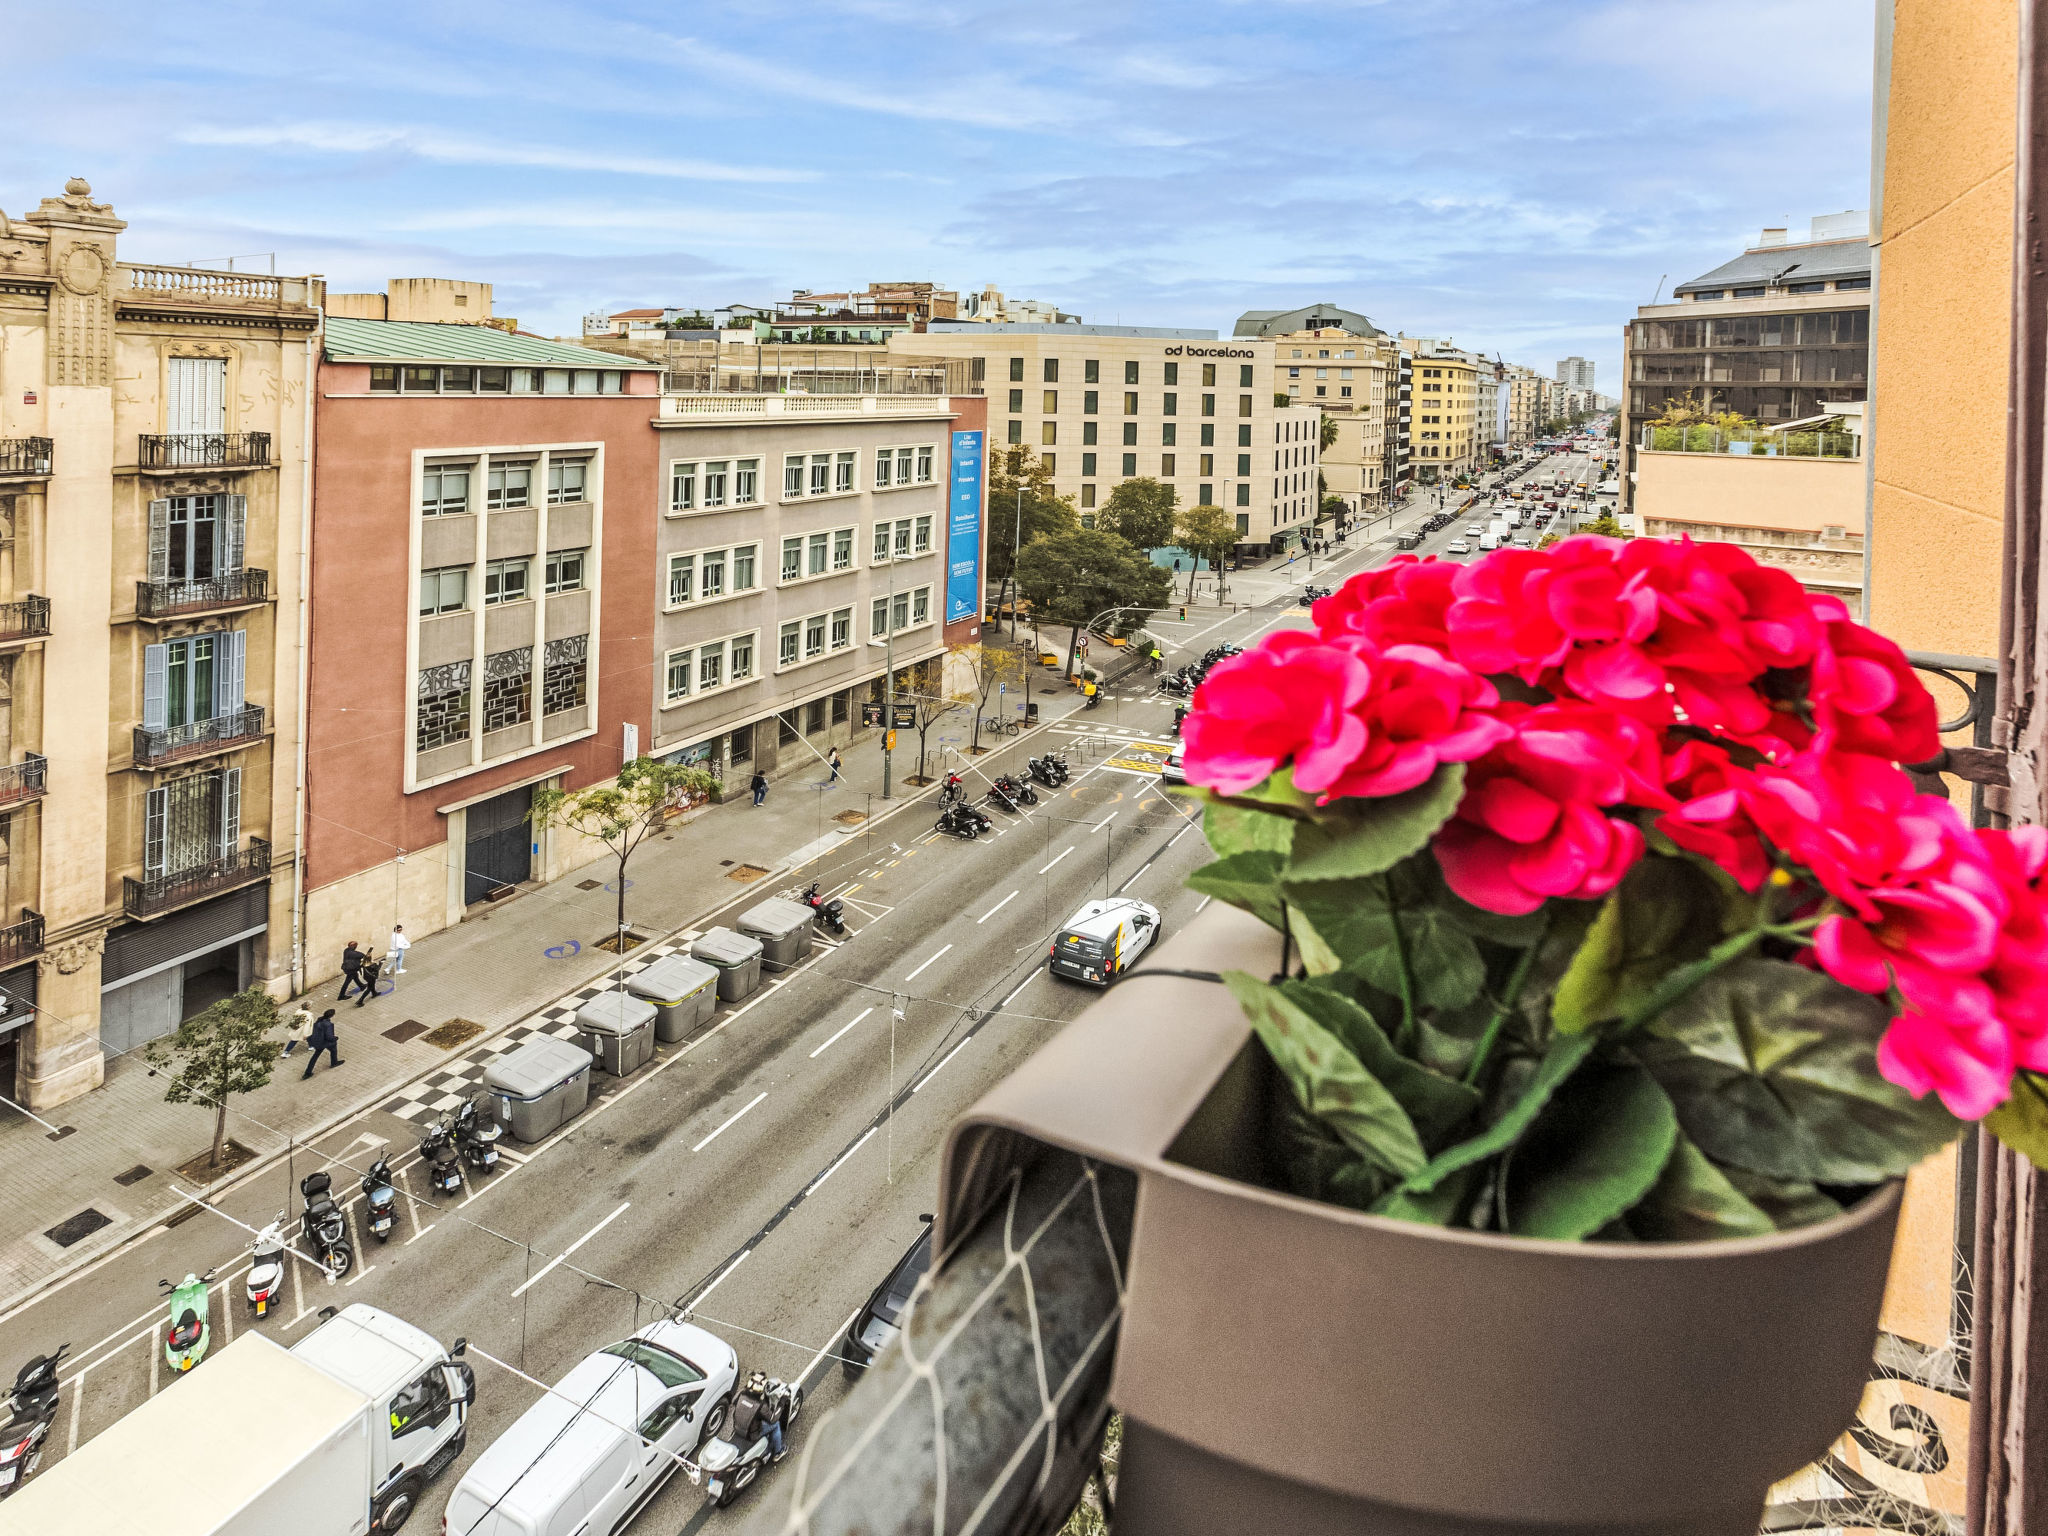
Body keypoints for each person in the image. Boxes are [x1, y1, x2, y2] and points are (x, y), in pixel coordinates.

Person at [302, 1009, 343, 1076]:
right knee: (333, 1050)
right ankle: (334, 1062)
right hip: (325, 1042)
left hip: (318, 1041)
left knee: (315, 1056)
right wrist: (335, 1038)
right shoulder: (328, 1024)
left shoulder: (319, 1021)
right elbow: (329, 1036)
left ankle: (308, 1072)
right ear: (331, 1016)